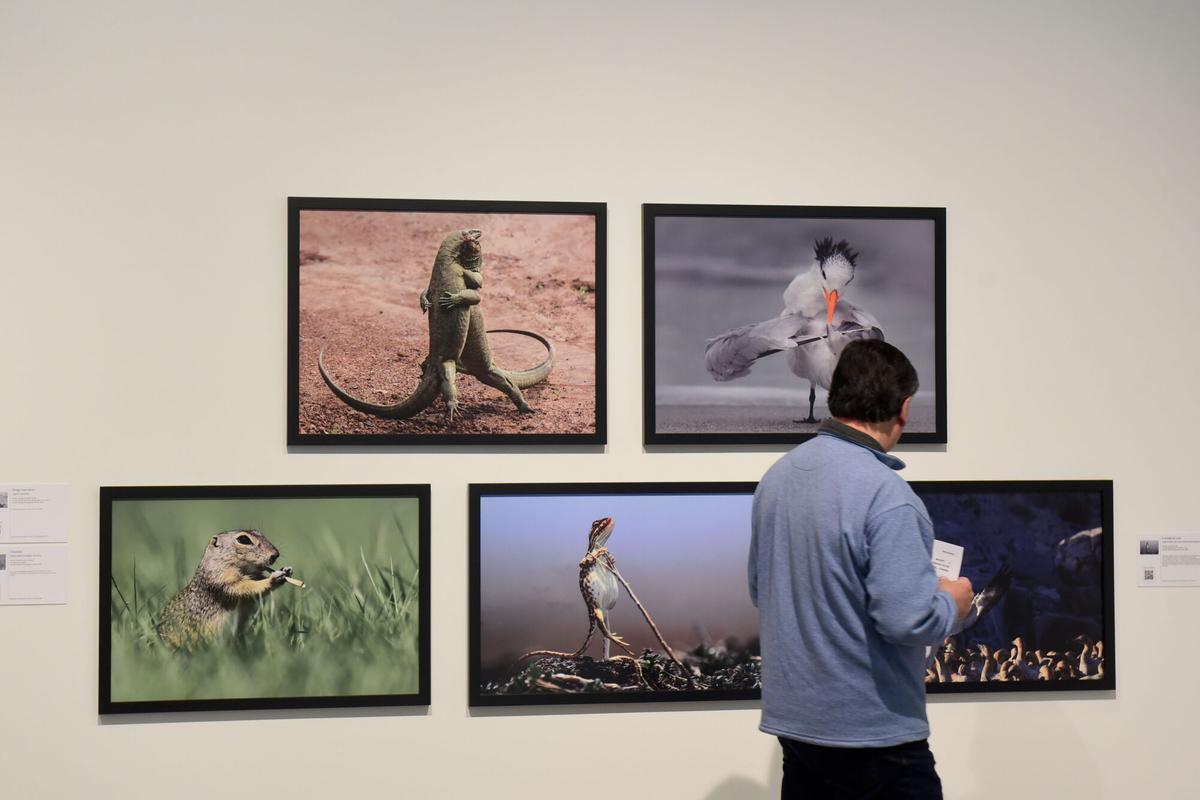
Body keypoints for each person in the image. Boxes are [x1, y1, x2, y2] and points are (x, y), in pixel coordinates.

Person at [749, 339, 974, 799]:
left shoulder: (778, 478)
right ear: (904, 408)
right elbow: (907, 620)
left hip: (797, 727)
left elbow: (761, 588)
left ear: (835, 396)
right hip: (875, 736)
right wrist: (953, 603)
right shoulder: (887, 495)